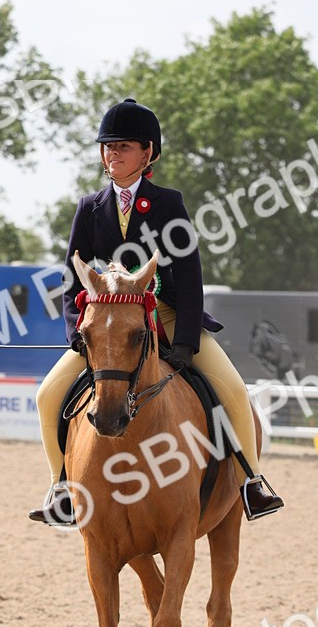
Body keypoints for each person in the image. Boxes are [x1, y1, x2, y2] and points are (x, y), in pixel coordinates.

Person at [29, 97, 284, 525]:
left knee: (234, 391)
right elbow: (71, 278)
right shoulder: (89, 208)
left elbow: (189, 278)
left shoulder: (168, 203)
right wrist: (78, 329)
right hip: (109, 325)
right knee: (47, 395)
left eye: (123, 146)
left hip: (164, 315)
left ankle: (252, 481)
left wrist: (184, 342)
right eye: (107, 146)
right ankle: (62, 488)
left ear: (148, 153)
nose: (113, 154)